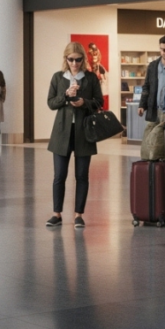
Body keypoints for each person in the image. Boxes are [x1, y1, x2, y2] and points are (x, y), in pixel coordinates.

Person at [45, 42, 104, 229]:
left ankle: (79, 215)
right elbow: (51, 103)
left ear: (83, 59)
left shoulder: (91, 78)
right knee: (59, 175)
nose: (74, 63)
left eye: (78, 60)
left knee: (82, 175)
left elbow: (99, 102)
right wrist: (65, 96)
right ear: (66, 59)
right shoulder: (58, 78)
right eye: (71, 59)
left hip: (84, 133)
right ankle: (57, 214)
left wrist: (83, 102)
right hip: (61, 133)